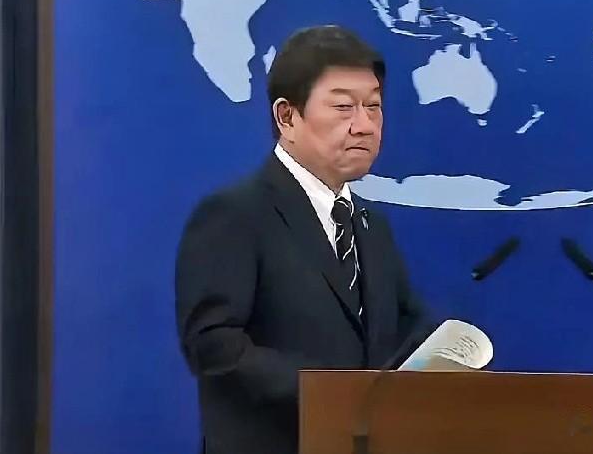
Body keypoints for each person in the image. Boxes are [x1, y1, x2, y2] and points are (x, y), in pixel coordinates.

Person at [175, 25, 432, 454]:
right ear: (287, 117)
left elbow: (407, 328)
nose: (365, 125)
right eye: (343, 107)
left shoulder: (370, 225)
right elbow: (213, 345)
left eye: (373, 106)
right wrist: (327, 394)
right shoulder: (235, 215)